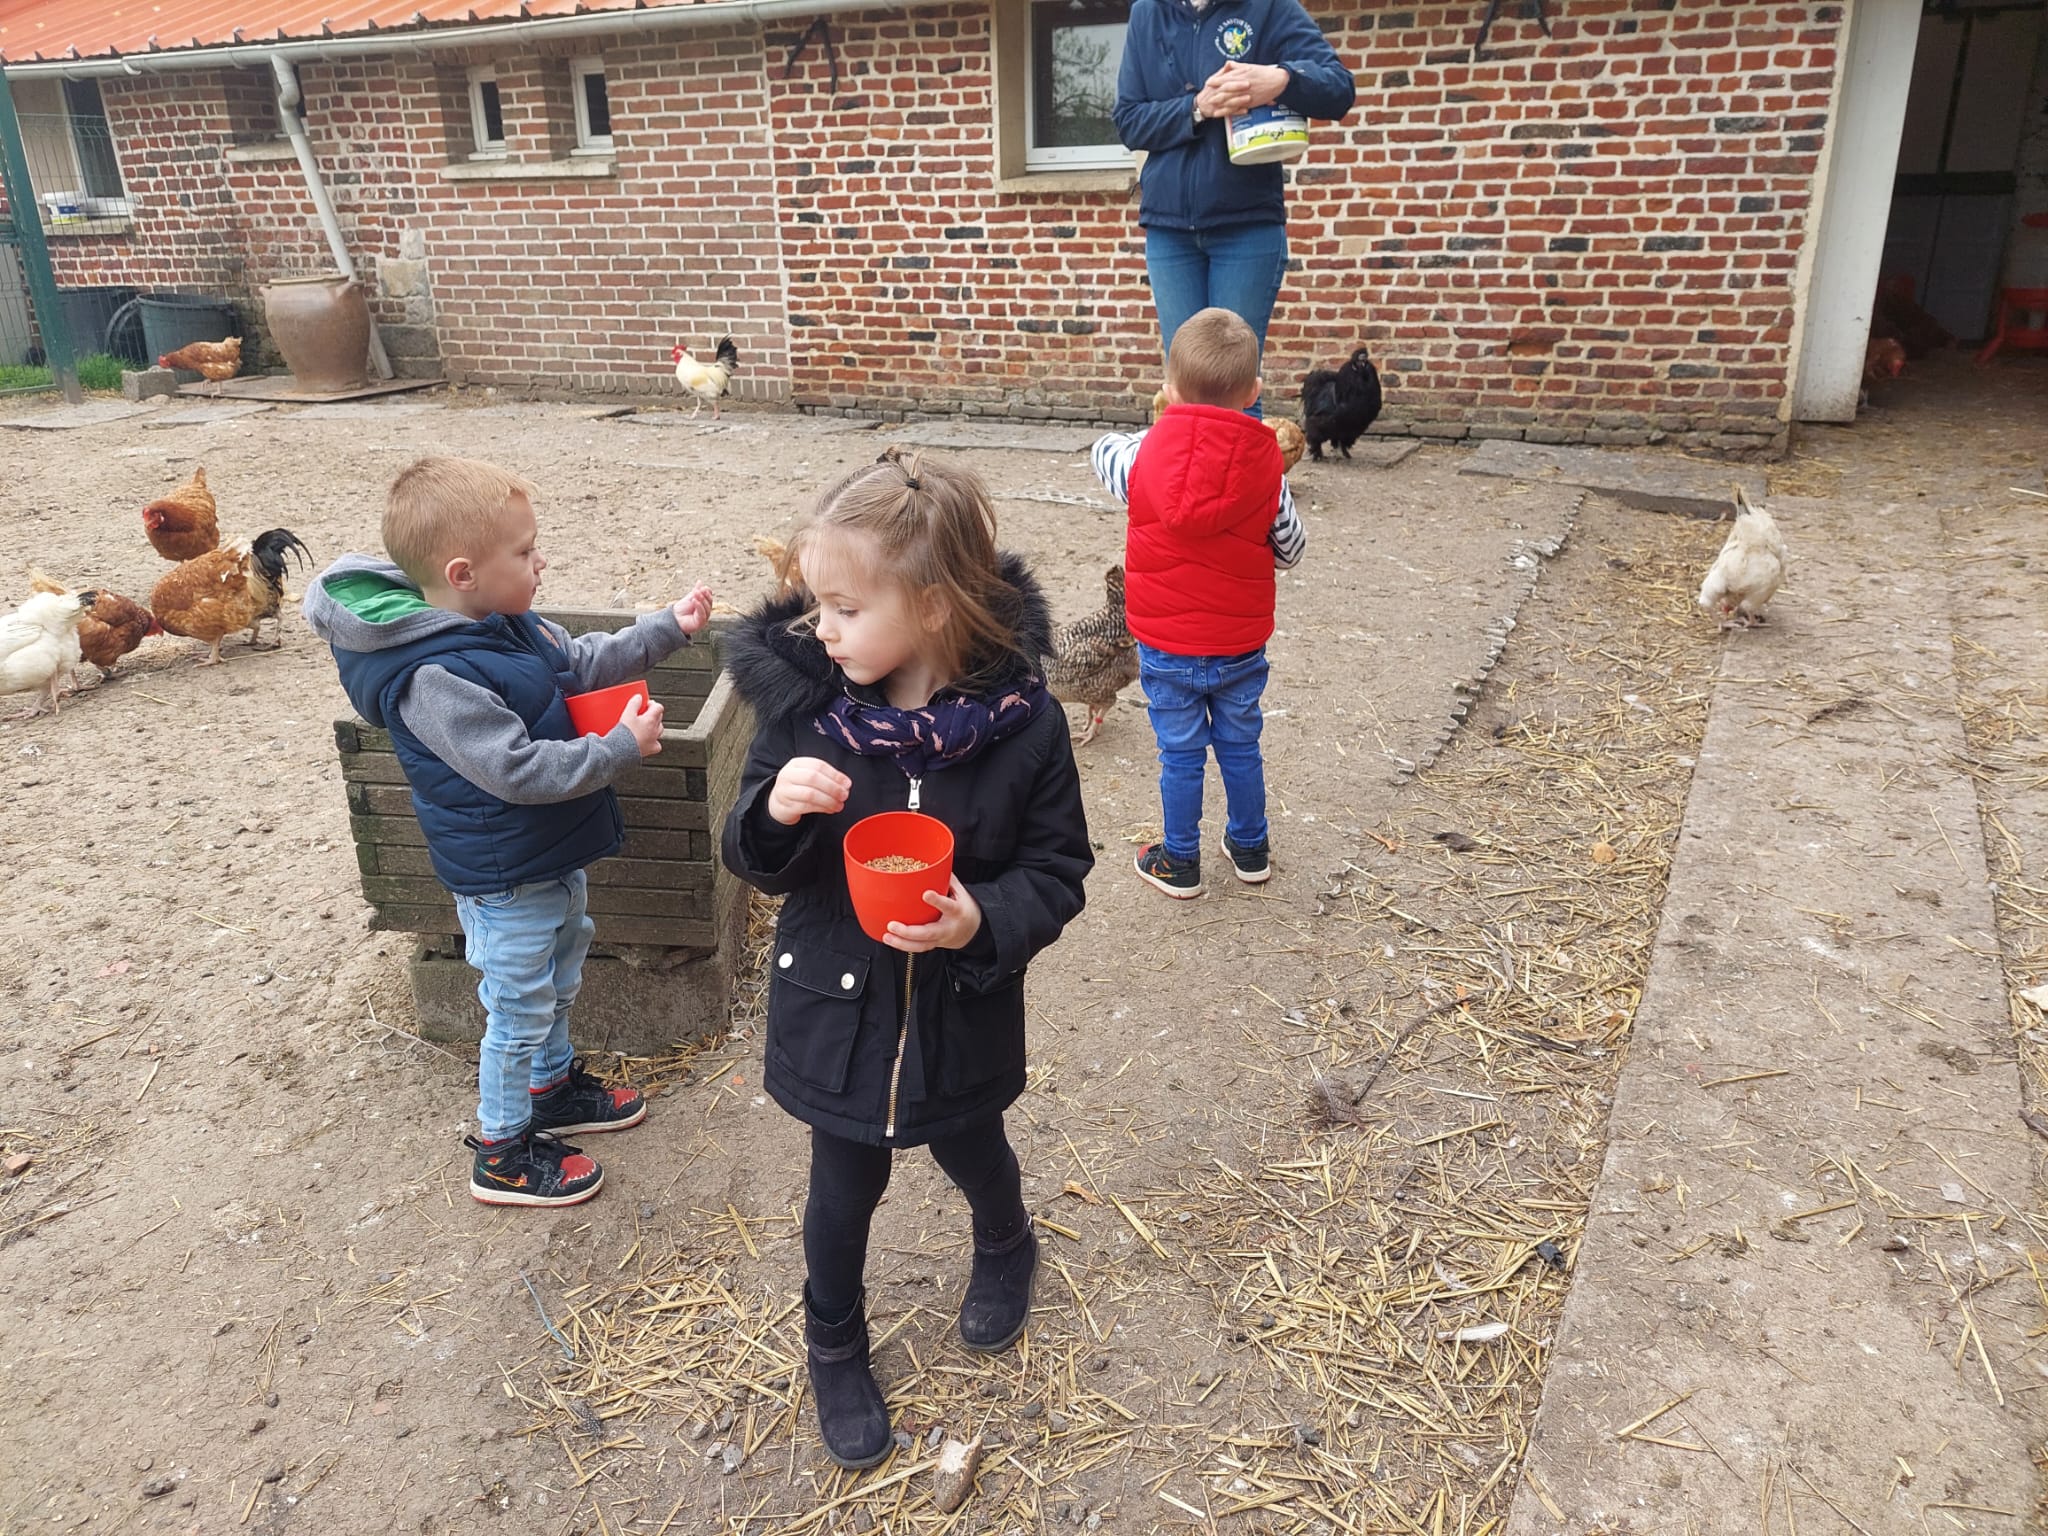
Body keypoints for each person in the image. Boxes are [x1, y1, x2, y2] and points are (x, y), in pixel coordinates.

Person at [720, 447, 1092, 1470]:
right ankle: (833, 1340)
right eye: (816, 605)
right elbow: (753, 858)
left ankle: (1006, 1241)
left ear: (931, 606)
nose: (821, 629)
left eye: (844, 608)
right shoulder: (808, 713)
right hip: (837, 1008)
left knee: (974, 1145)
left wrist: (984, 920)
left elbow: (1058, 868)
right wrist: (774, 809)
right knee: (842, 1188)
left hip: (960, 1007)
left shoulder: (1025, 728)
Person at [305, 456, 714, 1208]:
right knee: (518, 1009)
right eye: (524, 552)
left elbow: (580, 661)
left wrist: (664, 630)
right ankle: (501, 1151)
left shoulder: (503, 623)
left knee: (556, 977)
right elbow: (515, 771)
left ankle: (550, 1092)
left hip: (546, 854)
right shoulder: (436, 676)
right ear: (463, 574)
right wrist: (618, 749)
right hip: (503, 876)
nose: (540, 561)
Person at [1089, 307, 1304, 899]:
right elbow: (1290, 550)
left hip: (1166, 645)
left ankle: (1180, 860)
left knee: (1179, 754)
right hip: (1238, 643)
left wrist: (1160, 426)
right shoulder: (1269, 467)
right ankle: (1251, 846)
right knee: (1240, 744)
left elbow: (1101, 450)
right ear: (1254, 392)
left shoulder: (1139, 457)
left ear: (1169, 388)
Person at [1113, 0, 1358, 414]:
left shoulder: (1268, 7)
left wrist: (1281, 79)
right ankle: (1190, 461)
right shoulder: (1147, 12)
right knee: (1184, 387)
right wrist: (1196, 108)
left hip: (1247, 228)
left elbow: (1339, 88)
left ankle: (1242, 460)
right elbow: (1128, 121)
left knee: (1235, 385)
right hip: (1169, 232)